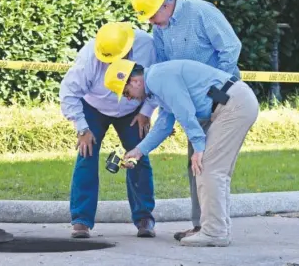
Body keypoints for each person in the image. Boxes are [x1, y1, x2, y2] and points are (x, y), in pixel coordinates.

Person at [131, 0, 243, 240]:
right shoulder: (161, 30)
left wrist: (216, 92)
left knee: (209, 166)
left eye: (151, 15)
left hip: (221, 102)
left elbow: (230, 48)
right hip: (193, 106)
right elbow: (167, 79)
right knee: (197, 165)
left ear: (165, 4)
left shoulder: (200, 12)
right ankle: (201, 226)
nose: (150, 23)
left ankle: (214, 230)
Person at [104, 59, 259, 246]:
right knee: (214, 172)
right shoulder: (156, 84)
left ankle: (214, 232)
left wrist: (198, 147)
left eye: (126, 93)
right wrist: (138, 151)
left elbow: (184, 110)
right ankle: (217, 229)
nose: (129, 98)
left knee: (208, 169)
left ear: (135, 81)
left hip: (233, 106)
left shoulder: (158, 78)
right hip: (232, 103)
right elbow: (164, 123)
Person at [59, 22, 158, 238]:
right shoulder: (89, 56)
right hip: (94, 107)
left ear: (128, 50)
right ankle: (81, 220)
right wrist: (82, 128)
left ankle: (144, 218)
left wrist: (146, 111)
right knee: (87, 155)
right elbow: (68, 92)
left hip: (133, 110)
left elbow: (158, 80)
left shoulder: (147, 47)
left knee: (138, 156)